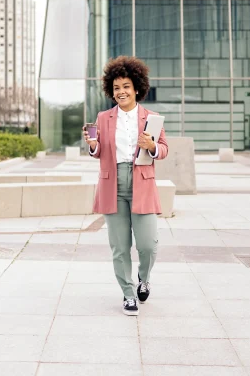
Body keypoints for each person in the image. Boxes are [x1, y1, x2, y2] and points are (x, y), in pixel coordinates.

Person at [83, 56, 168, 316]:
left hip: (142, 183)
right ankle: (128, 294)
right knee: (119, 247)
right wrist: (93, 145)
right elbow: (99, 152)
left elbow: (164, 149)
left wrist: (152, 147)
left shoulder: (152, 118)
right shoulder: (103, 117)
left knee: (148, 245)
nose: (121, 92)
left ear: (137, 88)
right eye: (117, 87)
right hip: (113, 185)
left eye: (126, 86)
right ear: (111, 90)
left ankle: (144, 277)